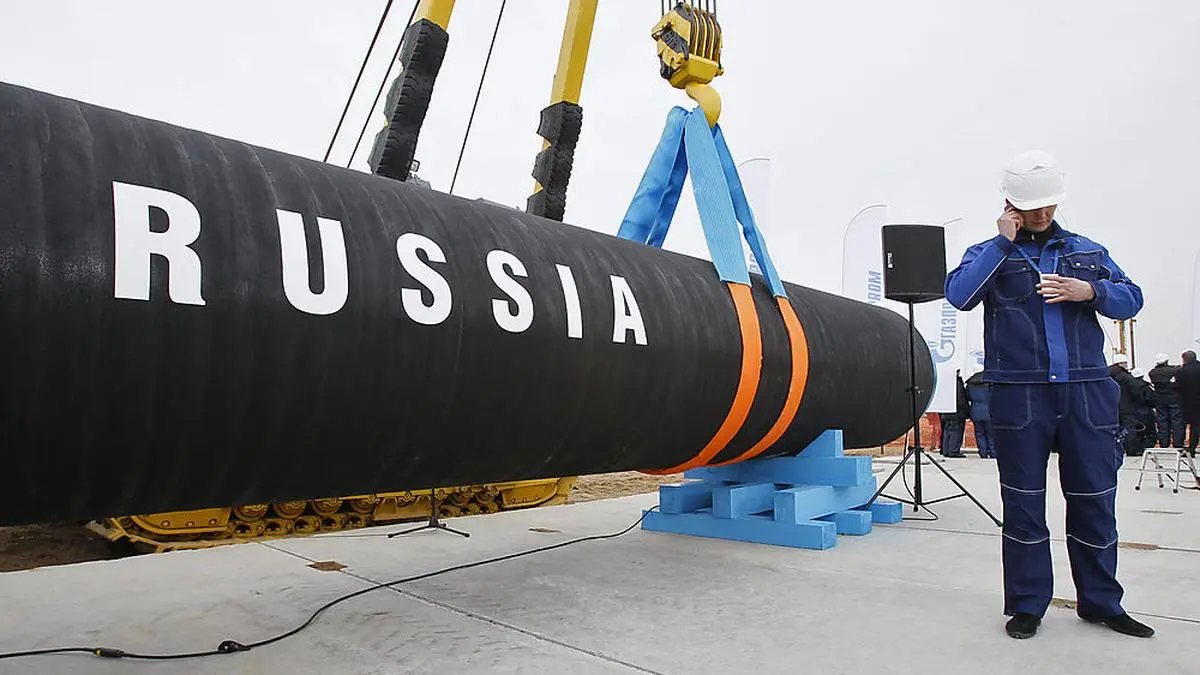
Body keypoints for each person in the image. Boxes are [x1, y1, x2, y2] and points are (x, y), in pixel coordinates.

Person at [945, 150, 1153, 640]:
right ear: (1010, 203)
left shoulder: (1089, 252)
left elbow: (1133, 297)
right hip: (1019, 395)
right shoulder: (988, 252)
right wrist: (1002, 243)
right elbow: (959, 295)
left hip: (1086, 391)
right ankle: (1027, 604)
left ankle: (1102, 602)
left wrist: (1091, 293)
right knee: (1023, 503)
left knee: (1095, 500)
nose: (1042, 215)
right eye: (1032, 207)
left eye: (1048, 206)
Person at [1110, 356, 1148, 457]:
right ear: (1121, 364)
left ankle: (1118, 449)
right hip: (1127, 407)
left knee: (1116, 429)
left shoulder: (1109, 376)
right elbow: (1135, 390)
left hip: (1112, 407)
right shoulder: (1125, 376)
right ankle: (1132, 450)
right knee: (1130, 428)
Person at [1148, 353, 1185, 448]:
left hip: (1160, 400)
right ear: (1166, 361)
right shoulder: (1175, 370)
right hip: (1174, 399)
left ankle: (1164, 443)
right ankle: (1178, 444)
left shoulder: (1152, 373)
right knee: (1176, 421)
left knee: (1162, 422)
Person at [966, 365, 994, 458]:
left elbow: (968, 397)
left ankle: (983, 453)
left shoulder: (970, 383)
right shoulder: (989, 382)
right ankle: (993, 452)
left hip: (975, 411)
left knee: (979, 433)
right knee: (990, 433)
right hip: (988, 411)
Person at [1175, 351, 1200, 457]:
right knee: (1197, 425)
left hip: (1187, 402)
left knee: (1190, 425)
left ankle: (1190, 448)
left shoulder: (1181, 372)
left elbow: (1177, 387)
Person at [940, 370, 969, 457]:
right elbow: (960, 399)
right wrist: (966, 409)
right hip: (956, 411)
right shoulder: (957, 383)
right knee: (955, 430)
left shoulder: (944, 383)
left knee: (947, 430)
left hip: (946, 410)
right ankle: (953, 450)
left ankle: (946, 450)